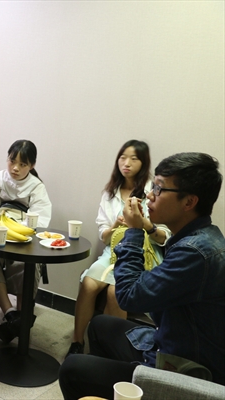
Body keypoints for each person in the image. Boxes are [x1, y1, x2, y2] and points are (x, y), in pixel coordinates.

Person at [59, 152, 224, 400]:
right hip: (168, 341)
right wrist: (145, 228)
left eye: (159, 189)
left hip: (184, 368)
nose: (150, 195)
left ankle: (133, 387)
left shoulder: (196, 253)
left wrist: (134, 231)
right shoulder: (200, 237)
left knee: (72, 370)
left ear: (189, 202)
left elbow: (129, 296)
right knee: (101, 324)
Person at [66, 140, 170, 357]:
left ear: (144, 162)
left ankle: (110, 351)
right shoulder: (110, 192)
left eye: (134, 158)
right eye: (123, 157)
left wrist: (143, 224)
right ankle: (77, 341)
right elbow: (104, 237)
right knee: (88, 284)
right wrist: (115, 225)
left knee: (116, 291)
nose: (127, 163)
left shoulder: (152, 191)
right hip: (113, 251)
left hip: (145, 253)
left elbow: (165, 237)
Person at [0, 140, 52, 343]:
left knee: (28, 265)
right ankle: (10, 313)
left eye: (22, 164)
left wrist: (15, 230)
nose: (15, 168)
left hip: (22, 238)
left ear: (32, 165)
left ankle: (22, 316)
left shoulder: (36, 186)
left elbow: (39, 220)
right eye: (11, 161)